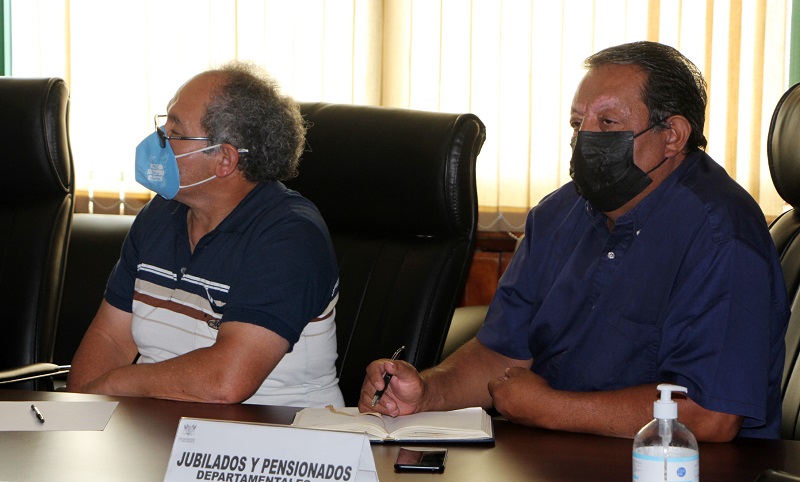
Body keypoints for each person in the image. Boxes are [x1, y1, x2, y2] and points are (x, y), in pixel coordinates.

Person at [359, 41, 790, 441]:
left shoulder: (722, 235)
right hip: (552, 455)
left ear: (673, 135)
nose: (584, 137)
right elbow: (502, 356)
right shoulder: (557, 214)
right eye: (577, 122)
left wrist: (548, 408)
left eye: (607, 122)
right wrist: (426, 393)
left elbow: (710, 415)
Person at [68, 61, 344, 407]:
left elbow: (225, 381)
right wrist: (80, 413)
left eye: (175, 131)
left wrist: (113, 384)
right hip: (159, 428)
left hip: (277, 433)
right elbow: (110, 339)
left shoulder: (290, 236)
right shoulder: (160, 215)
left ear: (224, 160)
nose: (160, 138)